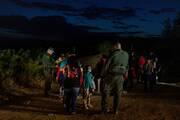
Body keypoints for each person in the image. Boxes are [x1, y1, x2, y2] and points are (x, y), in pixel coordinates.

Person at [101, 41, 129, 114]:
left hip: (111, 76)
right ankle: (115, 110)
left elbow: (106, 65)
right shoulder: (126, 54)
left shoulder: (113, 54)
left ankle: (105, 109)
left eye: (113, 47)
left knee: (106, 91)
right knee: (118, 93)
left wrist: (102, 75)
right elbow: (127, 66)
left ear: (115, 46)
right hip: (121, 77)